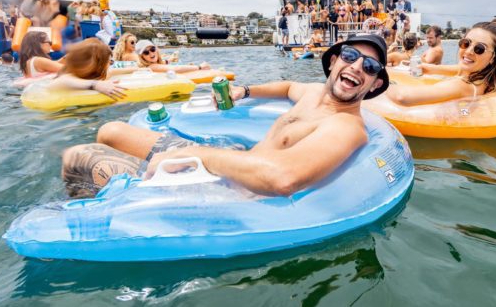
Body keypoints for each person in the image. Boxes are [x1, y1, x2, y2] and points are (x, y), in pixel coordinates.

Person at [61, 33, 390, 198]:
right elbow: (288, 85)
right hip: (233, 159)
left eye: (370, 67)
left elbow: (282, 178)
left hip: (232, 189)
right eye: (350, 55)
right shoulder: (313, 94)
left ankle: (102, 215)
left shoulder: (347, 126)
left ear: (374, 84)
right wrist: (243, 91)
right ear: (333, 61)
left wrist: (196, 153)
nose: (357, 66)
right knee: (110, 131)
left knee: (78, 158)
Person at [387, 20, 496, 106]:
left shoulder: (463, 86)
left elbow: (402, 97)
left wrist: (379, 83)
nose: (468, 51)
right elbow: (457, 69)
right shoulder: (483, 79)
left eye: (479, 49)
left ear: (493, 57)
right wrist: (428, 68)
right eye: (465, 43)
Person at [48, 38, 128, 99]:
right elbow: (62, 81)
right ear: (97, 65)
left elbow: (113, 71)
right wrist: (95, 84)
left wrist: (136, 69)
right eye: (109, 62)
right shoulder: (68, 78)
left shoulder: (85, 76)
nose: (109, 65)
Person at [136, 39, 210, 72]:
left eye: (152, 49)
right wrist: (199, 67)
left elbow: (162, 64)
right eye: (146, 52)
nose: (151, 53)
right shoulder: (152, 67)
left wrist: (169, 60)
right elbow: (176, 69)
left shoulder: (154, 64)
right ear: (142, 57)